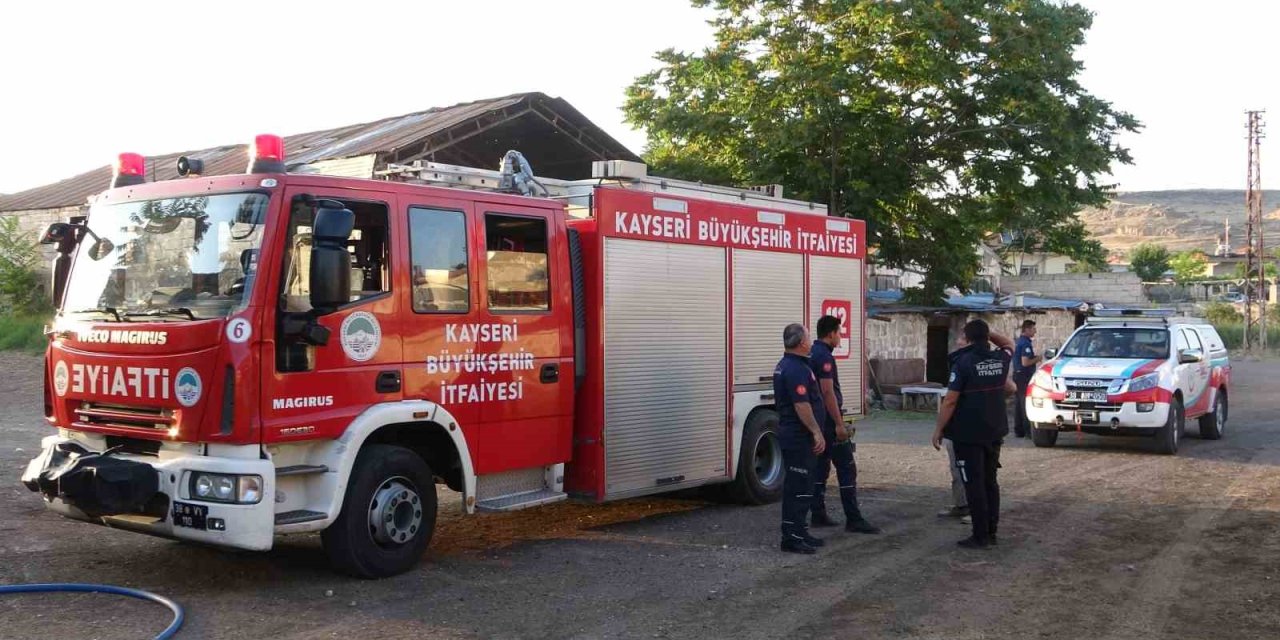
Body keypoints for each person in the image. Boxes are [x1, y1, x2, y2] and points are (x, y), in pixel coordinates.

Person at [930, 319, 1016, 550]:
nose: (957, 341)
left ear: (967, 340)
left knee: (973, 484)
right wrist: (988, 334)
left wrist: (939, 429)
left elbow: (950, 400)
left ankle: (980, 536)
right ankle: (991, 531)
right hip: (993, 431)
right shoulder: (1000, 359)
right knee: (990, 482)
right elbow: (1009, 344)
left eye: (961, 337)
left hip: (968, 434)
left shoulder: (963, 362)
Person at [808, 315, 881, 534]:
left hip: (819, 421)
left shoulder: (812, 353)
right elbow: (827, 391)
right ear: (830, 333)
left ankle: (818, 513)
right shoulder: (825, 357)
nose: (840, 337)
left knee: (820, 469)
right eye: (839, 333)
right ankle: (854, 518)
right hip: (830, 423)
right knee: (847, 469)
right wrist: (839, 424)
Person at [773, 323, 828, 554]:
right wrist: (816, 431)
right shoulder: (794, 368)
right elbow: (801, 405)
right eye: (808, 337)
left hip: (796, 436)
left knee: (803, 486)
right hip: (798, 437)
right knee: (798, 486)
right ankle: (792, 537)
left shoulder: (794, 365)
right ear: (801, 342)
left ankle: (799, 530)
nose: (810, 341)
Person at [1012, 320, 1041, 438]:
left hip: (1018, 375)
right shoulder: (1025, 344)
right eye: (1033, 329)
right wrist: (1038, 359)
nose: (1035, 331)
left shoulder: (1019, 341)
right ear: (1027, 329)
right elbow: (1025, 362)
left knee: (1019, 404)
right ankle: (1028, 430)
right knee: (1025, 403)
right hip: (1024, 376)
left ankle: (1019, 430)